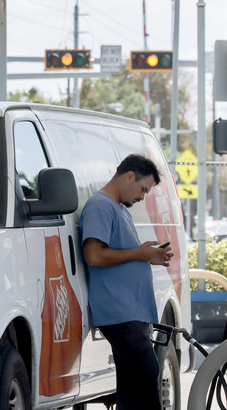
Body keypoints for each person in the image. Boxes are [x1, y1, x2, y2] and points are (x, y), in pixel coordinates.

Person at [80, 153, 173, 410]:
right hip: (120, 313)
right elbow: (94, 255)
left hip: (131, 313)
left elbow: (120, 255)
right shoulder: (100, 206)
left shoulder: (118, 208)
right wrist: (138, 253)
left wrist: (149, 257)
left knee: (134, 387)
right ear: (129, 176)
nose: (143, 196)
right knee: (145, 376)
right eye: (143, 188)